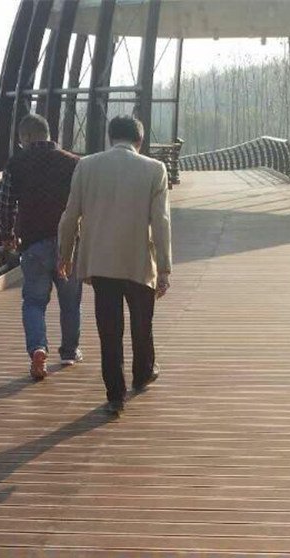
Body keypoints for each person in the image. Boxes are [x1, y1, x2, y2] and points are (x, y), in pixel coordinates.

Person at [58, 114, 172, 416]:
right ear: (140, 140)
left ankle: (115, 395)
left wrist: (66, 255)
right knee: (142, 324)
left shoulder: (86, 166)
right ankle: (143, 373)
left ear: (110, 137)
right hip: (139, 261)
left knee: (109, 330)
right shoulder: (155, 169)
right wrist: (164, 268)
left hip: (101, 262)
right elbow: (161, 223)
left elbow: (70, 216)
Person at [0, 113, 83, 381]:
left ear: (25, 136)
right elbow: (84, 203)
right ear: (48, 133)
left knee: (34, 302)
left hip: (33, 243)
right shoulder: (73, 162)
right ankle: (69, 352)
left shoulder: (16, 163)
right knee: (70, 301)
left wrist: (7, 234)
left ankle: (37, 348)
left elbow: (7, 203)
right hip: (68, 244)